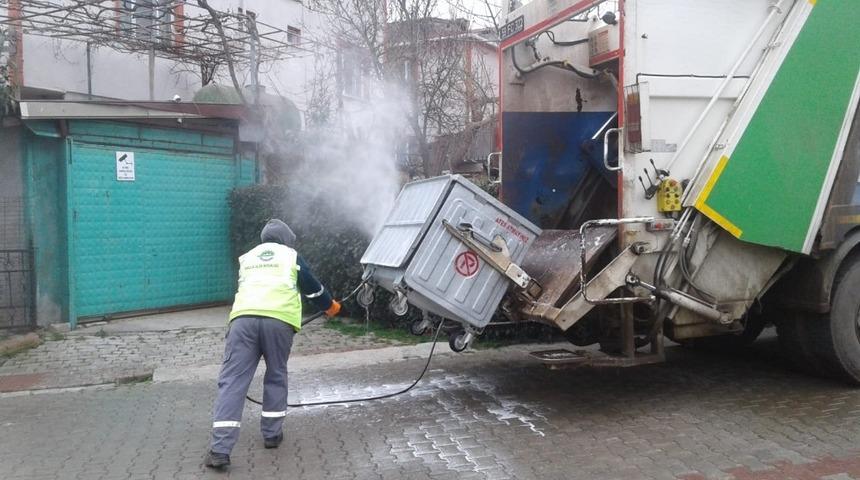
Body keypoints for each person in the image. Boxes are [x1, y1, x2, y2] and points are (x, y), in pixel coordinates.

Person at [204, 219, 341, 469]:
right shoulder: (291, 256)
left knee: (233, 381)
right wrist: (330, 307)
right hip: (279, 323)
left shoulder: (247, 257)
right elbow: (312, 288)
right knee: (276, 374)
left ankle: (219, 450)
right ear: (287, 239)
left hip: (242, 323)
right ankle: (271, 435)